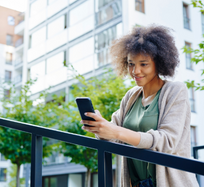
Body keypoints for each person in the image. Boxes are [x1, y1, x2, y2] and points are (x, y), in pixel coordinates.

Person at [80, 25, 199, 187]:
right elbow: (114, 136)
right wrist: (100, 127)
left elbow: (167, 141)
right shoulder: (131, 96)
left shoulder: (175, 90)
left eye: (144, 64)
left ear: (159, 62)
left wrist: (116, 131)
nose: (135, 71)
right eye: (130, 64)